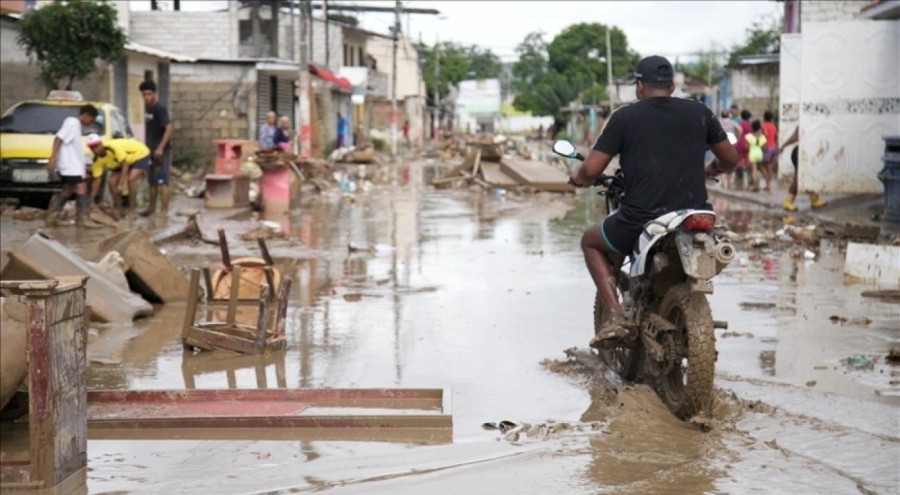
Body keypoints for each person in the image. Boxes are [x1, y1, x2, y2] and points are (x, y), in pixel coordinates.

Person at [569, 55, 738, 348]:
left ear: (639, 86)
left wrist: (579, 178)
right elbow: (731, 160)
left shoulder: (624, 117)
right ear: (672, 86)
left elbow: (592, 169)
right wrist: (712, 168)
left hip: (641, 218)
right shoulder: (700, 112)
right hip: (694, 215)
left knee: (590, 241)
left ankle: (616, 317)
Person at [45, 104, 101, 228]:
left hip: (71, 165)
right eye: (91, 120)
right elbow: (58, 138)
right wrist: (52, 158)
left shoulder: (75, 125)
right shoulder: (72, 123)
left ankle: (52, 218)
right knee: (82, 187)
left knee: (67, 189)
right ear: (86, 115)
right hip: (69, 165)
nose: (90, 123)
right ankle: (82, 219)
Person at [87, 135, 151, 215]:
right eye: (92, 148)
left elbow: (125, 165)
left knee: (131, 179)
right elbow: (97, 180)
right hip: (120, 164)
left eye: (96, 146)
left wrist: (120, 184)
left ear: (101, 144)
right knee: (111, 182)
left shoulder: (113, 147)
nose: (95, 150)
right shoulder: (96, 160)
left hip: (139, 155)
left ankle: (132, 210)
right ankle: (119, 209)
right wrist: (92, 199)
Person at [139, 80, 173, 216]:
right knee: (152, 181)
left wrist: (160, 148)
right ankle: (151, 208)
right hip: (150, 150)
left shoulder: (160, 109)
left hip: (161, 151)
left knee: (163, 181)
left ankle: (164, 212)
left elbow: (169, 128)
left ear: (154, 94)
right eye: (144, 95)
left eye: (149, 94)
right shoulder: (146, 109)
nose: (147, 97)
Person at [780, 127, 827, 211]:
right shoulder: (805, 122)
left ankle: (814, 199)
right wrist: (783, 145)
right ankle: (787, 201)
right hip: (801, 153)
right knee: (798, 178)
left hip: (808, 153)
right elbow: (796, 136)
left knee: (809, 176)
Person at [717, 110, 741, 190]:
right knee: (730, 163)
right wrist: (737, 139)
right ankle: (729, 182)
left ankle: (724, 183)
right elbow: (740, 130)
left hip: (721, 145)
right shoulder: (732, 122)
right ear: (728, 115)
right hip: (731, 145)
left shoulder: (718, 122)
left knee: (721, 162)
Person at [744, 120, 767, 192]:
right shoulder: (762, 137)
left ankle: (755, 185)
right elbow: (764, 147)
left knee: (754, 170)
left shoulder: (748, 136)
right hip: (760, 154)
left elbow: (747, 147)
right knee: (760, 168)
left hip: (752, 154)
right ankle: (766, 182)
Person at [760, 110, 778, 190]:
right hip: (773, 147)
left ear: (764, 117)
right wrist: (775, 143)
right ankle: (768, 184)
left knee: (763, 166)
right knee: (769, 166)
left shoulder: (763, 125)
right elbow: (776, 136)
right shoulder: (773, 126)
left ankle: (768, 184)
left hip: (766, 147)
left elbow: (763, 136)